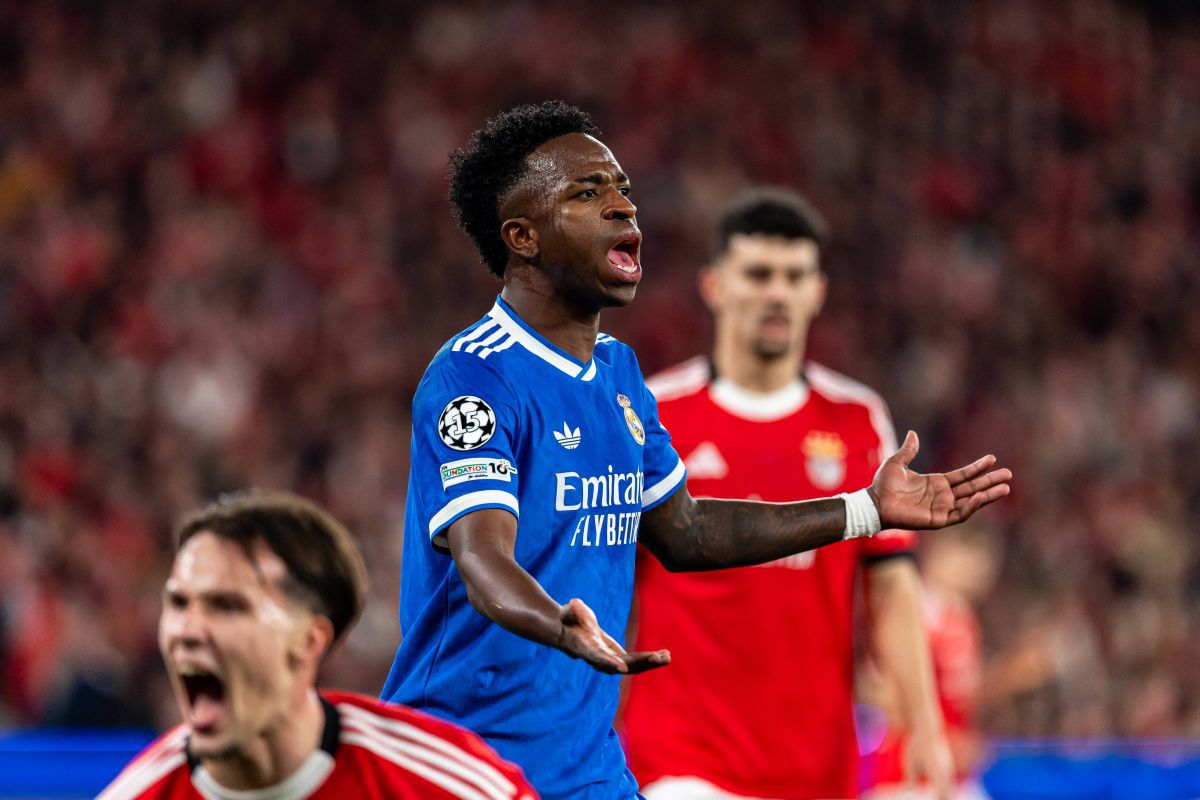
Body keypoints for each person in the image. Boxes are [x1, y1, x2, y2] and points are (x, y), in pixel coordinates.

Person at [381, 101, 1011, 800]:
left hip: (588, 767)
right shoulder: (474, 376)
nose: (623, 207)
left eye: (623, 189)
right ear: (522, 237)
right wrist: (558, 624)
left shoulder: (618, 375)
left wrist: (865, 509)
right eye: (587, 193)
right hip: (465, 755)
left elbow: (685, 531)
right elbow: (482, 560)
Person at [620, 187, 953, 800]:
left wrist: (925, 724)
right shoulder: (652, 413)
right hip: (679, 763)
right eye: (758, 274)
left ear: (817, 291)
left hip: (817, 770)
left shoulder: (858, 421)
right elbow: (606, 581)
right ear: (715, 285)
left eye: (795, 276)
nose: (777, 292)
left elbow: (891, 585)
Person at [98, 490, 537, 800]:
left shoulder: (451, 786)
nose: (188, 630)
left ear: (310, 640)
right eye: (178, 603)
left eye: (227, 606)